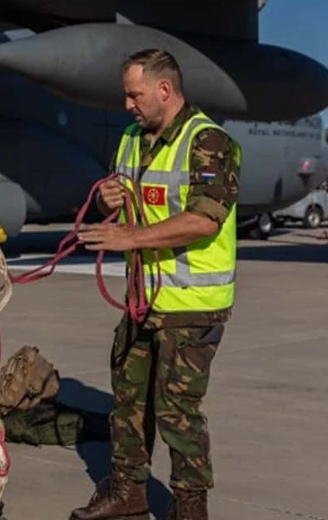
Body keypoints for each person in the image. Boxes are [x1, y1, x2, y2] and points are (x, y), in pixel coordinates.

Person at [74, 48, 241, 520]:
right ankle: (128, 493)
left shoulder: (208, 141)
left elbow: (205, 219)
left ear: (164, 90)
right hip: (142, 300)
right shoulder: (132, 138)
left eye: (135, 95)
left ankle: (189, 506)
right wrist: (108, 201)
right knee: (128, 402)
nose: (128, 105)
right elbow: (122, 201)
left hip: (191, 304)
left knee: (177, 411)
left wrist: (130, 237)